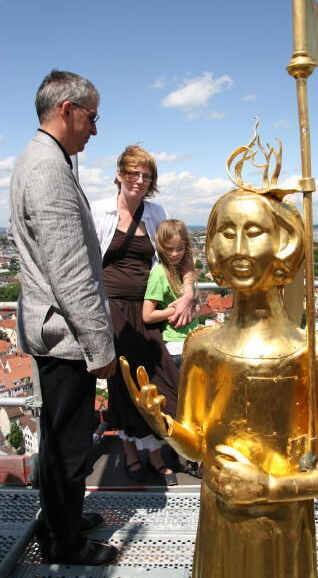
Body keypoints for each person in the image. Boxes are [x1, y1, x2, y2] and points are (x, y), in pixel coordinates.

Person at [121, 187, 318, 578]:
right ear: (211, 248)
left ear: (284, 245)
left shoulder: (316, 355)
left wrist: (270, 487)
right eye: (227, 232)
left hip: (283, 531)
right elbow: (196, 449)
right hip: (219, 523)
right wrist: (165, 426)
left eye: (255, 231)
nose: (239, 248)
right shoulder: (201, 347)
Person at [9, 70, 117, 565]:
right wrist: (101, 349)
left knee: (57, 439)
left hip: (50, 327)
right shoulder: (50, 170)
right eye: (92, 117)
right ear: (67, 109)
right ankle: (64, 545)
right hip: (67, 333)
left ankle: (61, 520)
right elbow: (71, 272)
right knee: (70, 448)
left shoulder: (37, 158)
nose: (95, 130)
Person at [91, 146, 194, 486]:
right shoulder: (99, 211)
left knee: (160, 377)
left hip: (149, 308)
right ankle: (133, 452)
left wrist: (189, 293)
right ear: (119, 174)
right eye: (133, 173)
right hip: (112, 309)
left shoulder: (156, 212)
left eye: (146, 176)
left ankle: (154, 451)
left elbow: (183, 256)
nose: (139, 180)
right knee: (122, 383)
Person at [143, 219, 199, 368]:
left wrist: (193, 309)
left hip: (193, 339)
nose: (175, 254)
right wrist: (175, 310)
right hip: (175, 344)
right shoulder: (159, 274)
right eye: (169, 249)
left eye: (180, 249)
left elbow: (197, 307)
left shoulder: (184, 271)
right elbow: (147, 316)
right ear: (161, 247)